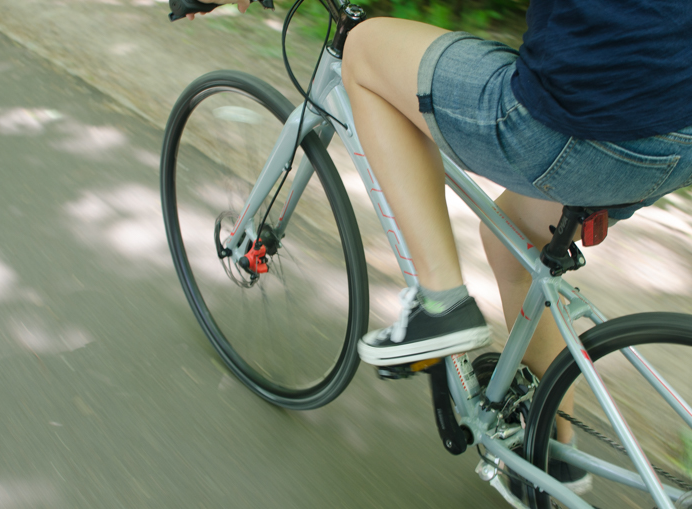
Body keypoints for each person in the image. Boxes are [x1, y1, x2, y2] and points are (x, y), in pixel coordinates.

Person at [191, 0, 692, 491]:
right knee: (513, 239)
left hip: (587, 125)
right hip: (677, 137)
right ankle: (551, 453)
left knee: (365, 49)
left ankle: (440, 302)